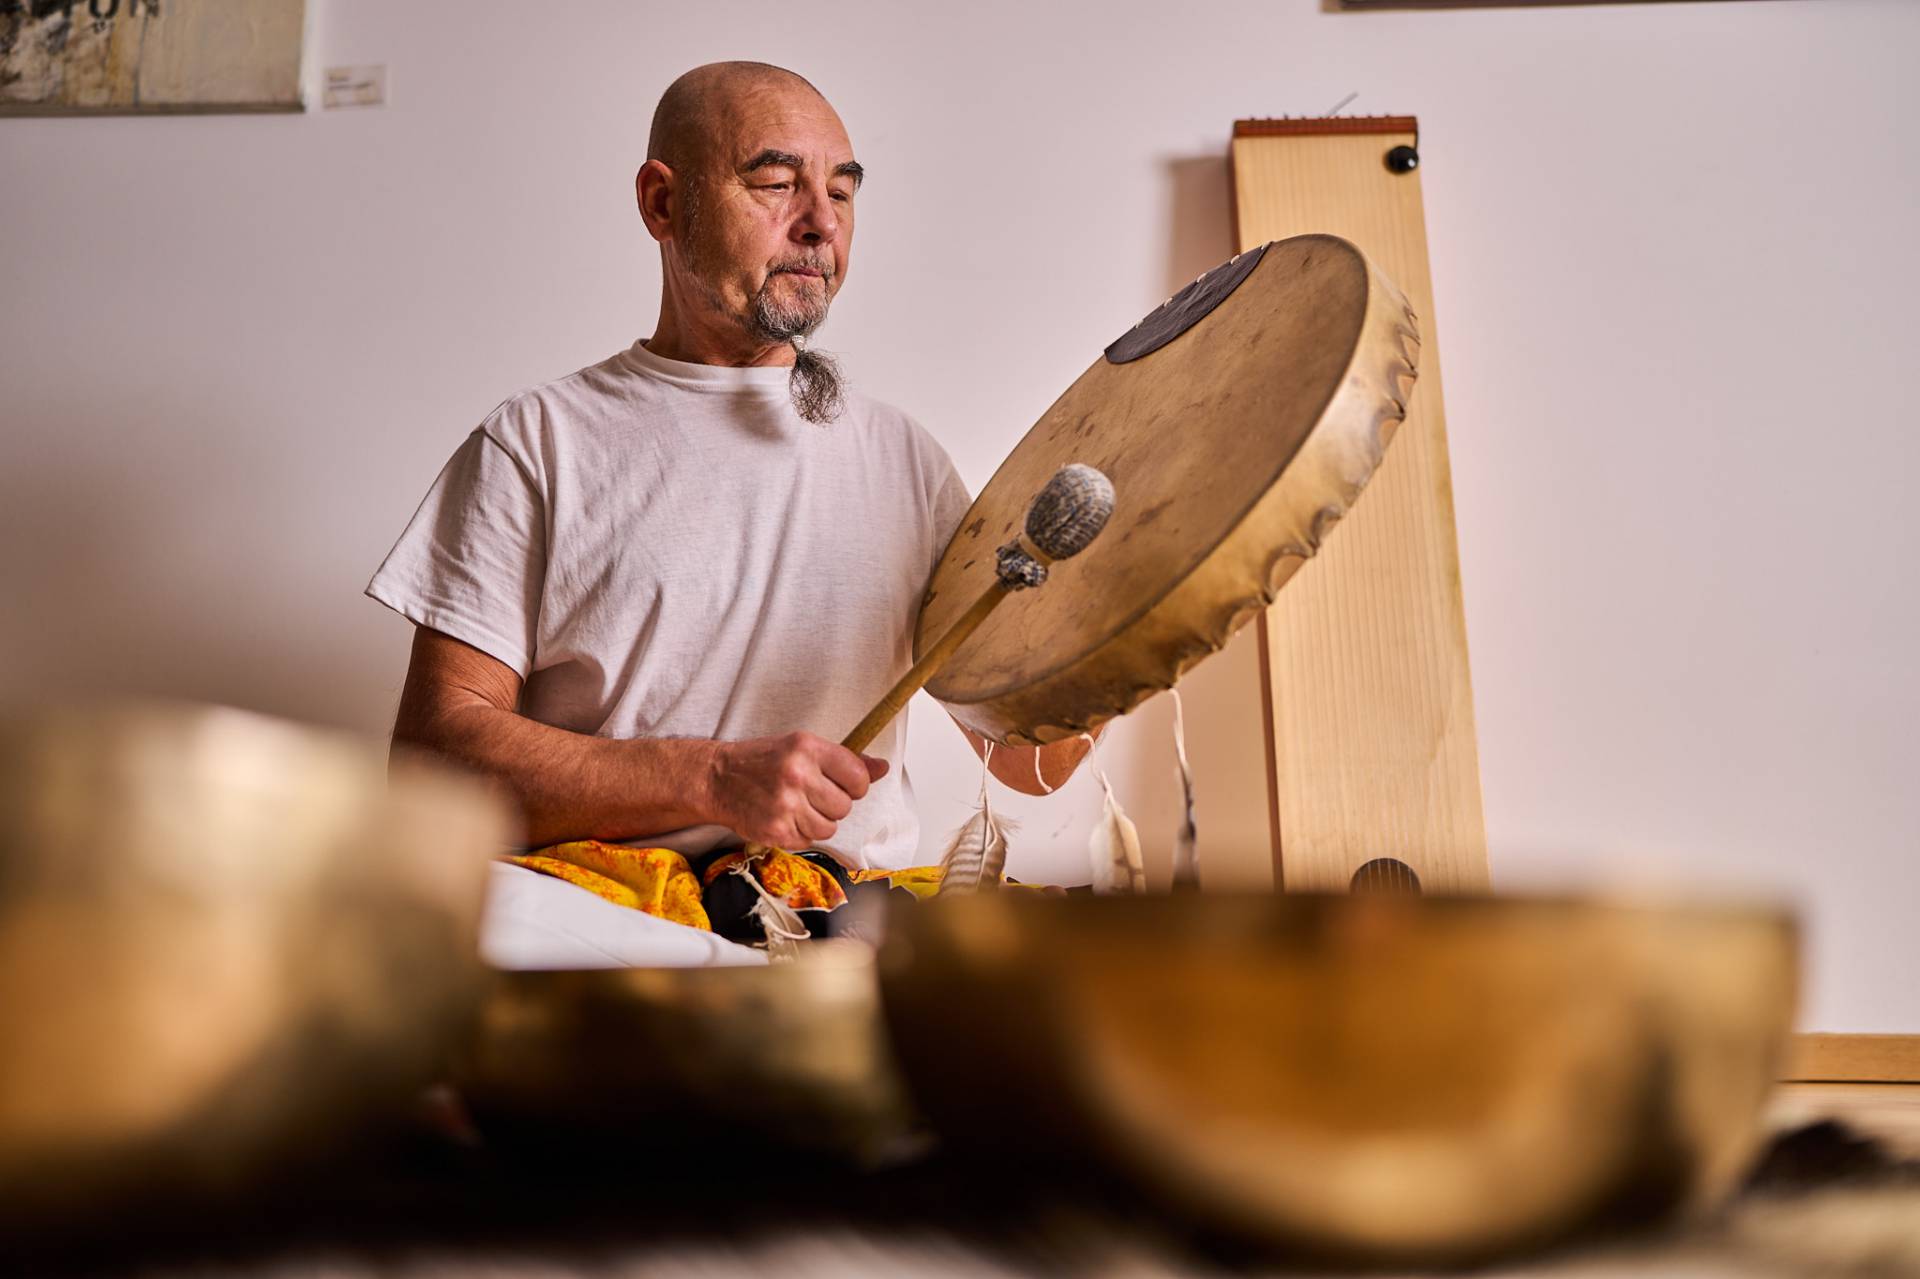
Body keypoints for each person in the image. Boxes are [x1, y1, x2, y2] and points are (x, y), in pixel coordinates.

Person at [366, 62, 1090, 960]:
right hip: (602, 924)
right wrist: (707, 776)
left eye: (842, 192)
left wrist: (1138, 606)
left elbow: (1031, 762)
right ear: (663, 204)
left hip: (833, 925)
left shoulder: (906, 459)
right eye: (776, 183)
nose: (821, 223)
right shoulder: (538, 441)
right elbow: (431, 768)